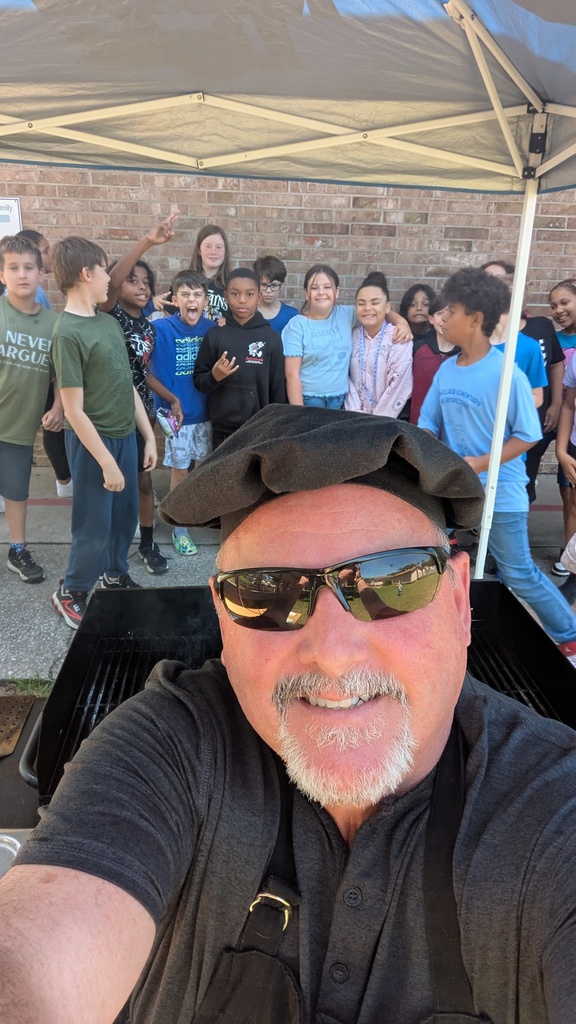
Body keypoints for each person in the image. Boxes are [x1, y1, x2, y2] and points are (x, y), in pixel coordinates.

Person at [3, 406, 576, 1024]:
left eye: (392, 581)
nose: (332, 654)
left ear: (460, 600)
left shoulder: (552, 806)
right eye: (267, 593)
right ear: (224, 622)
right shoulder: (172, 747)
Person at [419, 266, 576, 664]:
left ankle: (570, 637)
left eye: (451, 310)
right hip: (455, 487)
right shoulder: (446, 370)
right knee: (425, 552)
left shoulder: (506, 374)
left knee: (518, 572)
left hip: (501, 490)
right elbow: (427, 423)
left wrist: (479, 462)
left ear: (475, 319)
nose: (442, 318)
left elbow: (528, 434)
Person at [49, 236, 158, 630]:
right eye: (104, 270)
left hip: (124, 437)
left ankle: (114, 574)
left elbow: (127, 384)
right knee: (93, 524)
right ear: (86, 274)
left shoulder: (108, 322)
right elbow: (74, 411)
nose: (110, 279)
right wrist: (107, 463)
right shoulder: (67, 333)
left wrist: (147, 435)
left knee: (125, 516)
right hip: (93, 444)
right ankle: (72, 591)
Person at [100, 212, 179, 574]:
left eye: (146, 281)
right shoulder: (109, 314)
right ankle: (110, 550)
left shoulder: (148, 327)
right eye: (133, 280)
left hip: (142, 413)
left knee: (143, 481)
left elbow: (143, 373)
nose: (142, 286)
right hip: (110, 413)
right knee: (112, 485)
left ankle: (147, 544)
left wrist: (172, 398)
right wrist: (147, 241)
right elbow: (111, 284)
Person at [481, 260, 564, 504]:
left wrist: (555, 403)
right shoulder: (481, 341)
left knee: (521, 479)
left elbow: (555, 364)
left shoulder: (539, 330)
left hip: (529, 419)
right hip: (487, 427)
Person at [0, 234, 58, 583]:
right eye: (13, 268)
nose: (22, 274)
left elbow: (62, 375)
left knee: (16, 490)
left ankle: (18, 548)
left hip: (18, 427)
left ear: (40, 273)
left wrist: (60, 407)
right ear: (2, 274)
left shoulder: (54, 324)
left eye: (29, 267)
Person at [283, 264, 411, 409]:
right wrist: (298, 412)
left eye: (327, 287)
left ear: (336, 292)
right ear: (306, 293)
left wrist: (401, 322)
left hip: (340, 401)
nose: (321, 292)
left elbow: (375, 311)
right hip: (309, 400)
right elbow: (292, 375)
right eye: (314, 288)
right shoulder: (296, 326)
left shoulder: (345, 314)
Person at [148, 270, 212, 556]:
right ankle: (179, 526)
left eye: (197, 294)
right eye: (185, 294)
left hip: (205, 411)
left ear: (206, 300)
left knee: (203, 466)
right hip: (175, 415)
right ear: (175, 300)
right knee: (180, 468)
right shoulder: (160, 328)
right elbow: (146, 369)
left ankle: (194, 510)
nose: (191, 300)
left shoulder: (212, 329)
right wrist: (148, 305)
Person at [194, 268, 287, 447]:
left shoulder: (271, 339)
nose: (242, 300)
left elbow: (278, 391)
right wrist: (214, 376)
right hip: (222, 429)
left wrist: (277, 428)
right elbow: (199, 381)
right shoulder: (215, 335)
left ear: (258, 297)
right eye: (235, 294)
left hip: (260, 429)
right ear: (225, 296)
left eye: (249, 294)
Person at [18, 227, 74, 497]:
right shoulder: (34, 294)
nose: (50, 255)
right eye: (45, 250)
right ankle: (64, 482)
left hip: (34, 375)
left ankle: (64, 481)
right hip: (35, 375)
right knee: (52, 425)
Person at [344, 271, 412, 416]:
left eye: (375, 303)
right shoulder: (350, 335)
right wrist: (356, 414)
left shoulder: (398, 337)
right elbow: (346, 377)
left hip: (389, 420)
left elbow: (399, 384)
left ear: (387, 307)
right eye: (361, 303)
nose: (367, 308)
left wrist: (379, 420)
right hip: (354, 417)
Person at [549, 279, 576, 574]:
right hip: (564, 425)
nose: (558, 310)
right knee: (567, 490)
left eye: (565, 302)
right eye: (553, 305)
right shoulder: (554, 339)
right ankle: (570, 552)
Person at [408, 293, 459, 425]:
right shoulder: (417, 348)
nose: (444, 319)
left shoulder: (464, 354)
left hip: (451, 428)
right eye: (440, 314)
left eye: (450, 313)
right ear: (431, 319)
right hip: (418, 425)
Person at [253, 254, 299, 333]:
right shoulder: (248, 313)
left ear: (281, 286)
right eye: (264, 285)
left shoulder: (292, 316)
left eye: (274, 285)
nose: (268, 290)